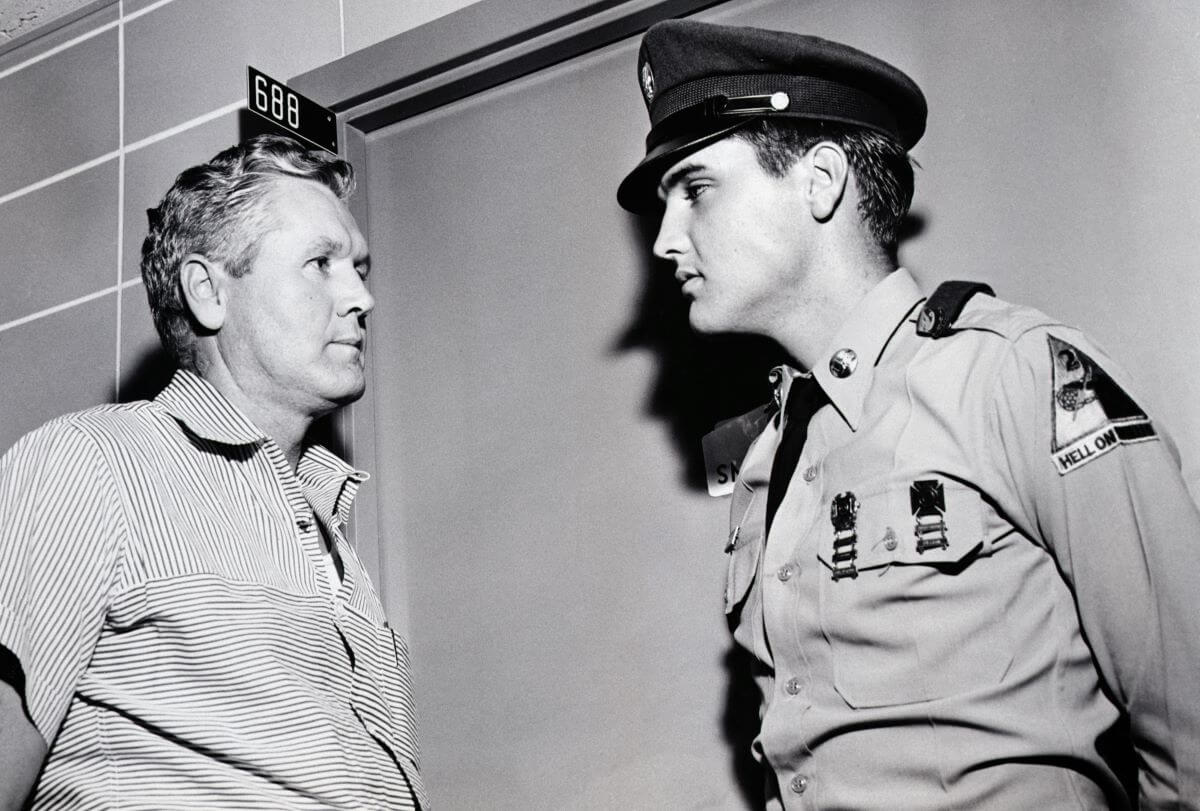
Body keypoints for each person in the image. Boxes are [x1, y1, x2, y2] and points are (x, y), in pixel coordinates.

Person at [617, 19, 1200, 809]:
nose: (664, 239)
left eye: (695, 188)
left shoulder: (1017, 375)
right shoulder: (767, 463)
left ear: (821, 182)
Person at [0, 135, 427, 809]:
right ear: (208, 291)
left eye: (361, 269)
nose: (362, 298)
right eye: (321, 263)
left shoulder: (334, 540)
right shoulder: (92, 462)